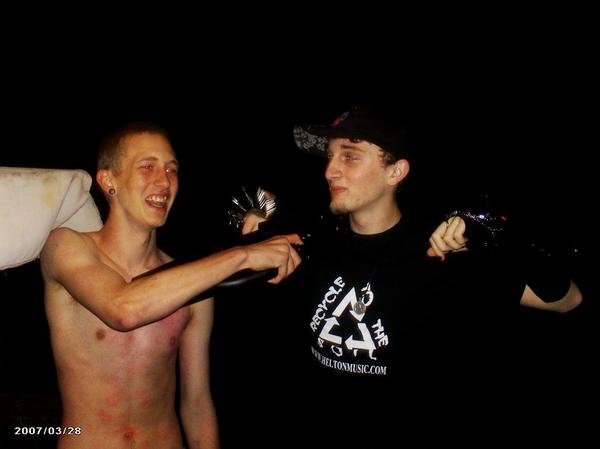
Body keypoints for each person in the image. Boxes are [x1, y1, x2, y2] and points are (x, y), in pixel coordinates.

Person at [239, 104, 582, 447]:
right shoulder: (314, 242)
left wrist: (495, 235)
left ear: (396, 172)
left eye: (350, 156)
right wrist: (256, 223)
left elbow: (567, 300)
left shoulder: (441, 252)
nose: (330, 170)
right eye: (329, 157)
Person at [39, 122, 302, 449]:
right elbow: (123, 309)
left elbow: (197, 403)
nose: (164, 181)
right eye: (147, 167)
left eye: (171, 169)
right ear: (108, 181)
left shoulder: (191, 281)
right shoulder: (64, 246)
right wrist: (242, 255)